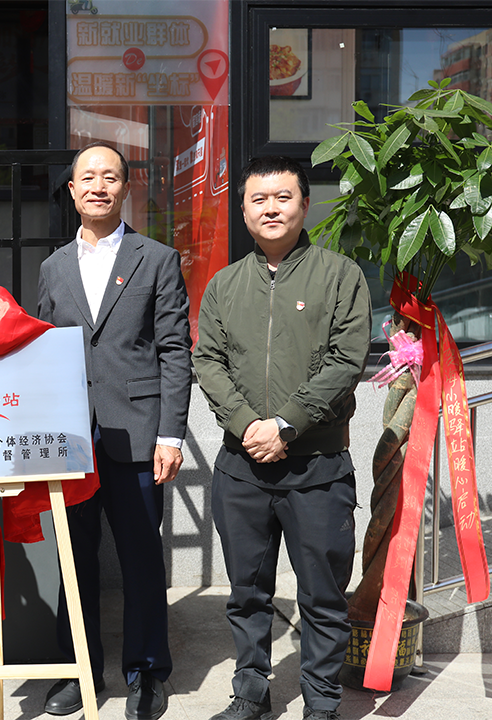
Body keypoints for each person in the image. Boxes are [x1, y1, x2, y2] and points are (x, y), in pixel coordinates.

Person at [192, 156, 372, 720]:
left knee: (322, 595)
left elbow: (346, 361)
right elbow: (208, 360)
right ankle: (250, 693)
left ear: (304, 204)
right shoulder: (224, 285)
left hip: (317, 466)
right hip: (242, 466)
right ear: (244, 210)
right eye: (258, 199)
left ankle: (321, 701)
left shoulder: (340, 275)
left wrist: (286, 424)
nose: (271, 209)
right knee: (246, 592)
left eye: (283, 197)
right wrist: (248, 424)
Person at [37, 141, 192, 720]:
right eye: (88, 178)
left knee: (141, 557)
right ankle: (76, 669)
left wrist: (171, 435)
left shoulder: (157, 258)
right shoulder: (53, 266)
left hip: (138, 433)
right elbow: (41, 352)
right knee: (72, 557)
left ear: (126, 188)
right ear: (72, 191)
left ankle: (147, 673)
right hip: (70, 437)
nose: (98, 186)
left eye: (110, 177)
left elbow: (175, 350)